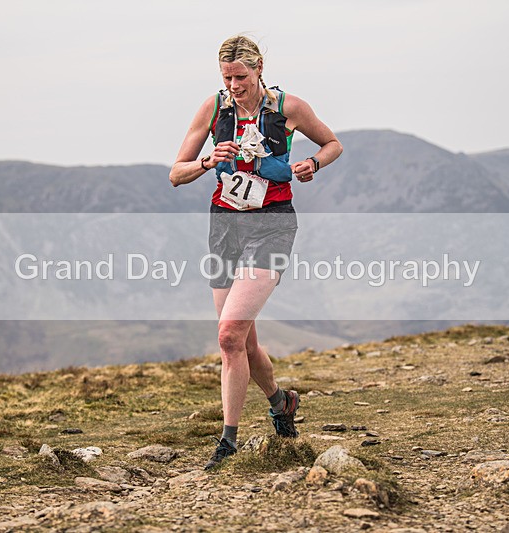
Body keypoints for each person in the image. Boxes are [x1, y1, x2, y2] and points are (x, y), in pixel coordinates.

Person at [169, 35, 342, 469]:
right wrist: (207, 161)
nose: (234, 85)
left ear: (259, 68)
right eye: (227, 77)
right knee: (243, 342)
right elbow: (176, 174)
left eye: (241, 77)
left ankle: (227, 443)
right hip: (225, 226)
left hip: (272, 225)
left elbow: (332, 144)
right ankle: (281, 402)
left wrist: (312, 164)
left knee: (229, 335)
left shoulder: (289, 108)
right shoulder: (213, 109)